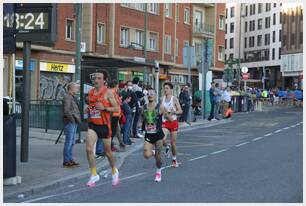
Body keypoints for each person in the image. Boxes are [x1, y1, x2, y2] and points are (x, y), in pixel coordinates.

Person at [85, 72, 120, 187]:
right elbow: (91, 106)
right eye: (95, 78)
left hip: (104, 126)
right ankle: (94, 174)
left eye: (99, 78)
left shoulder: (108, 92)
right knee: (89, 149)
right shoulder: (90, 92)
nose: (96, 80)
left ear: (104, 81)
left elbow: (116, 108)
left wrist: (104, 108)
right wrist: (88, 109)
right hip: (93, 124)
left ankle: (114, 171)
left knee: (108, 152)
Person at [143, 89, 165, 182]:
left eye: (152, 94)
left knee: (158, 157)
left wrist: (171, 117)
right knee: (146, 155)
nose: (150, 95)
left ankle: (158, 171)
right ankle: (153, 152)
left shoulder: (160, 107)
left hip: (158, 135)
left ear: (155, 95)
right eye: (148, 94)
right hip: (148, 134)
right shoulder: (143, 107)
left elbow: (167, 116)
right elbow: (142, 119)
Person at [160, 82, 183, 168]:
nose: (165, 90)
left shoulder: (174, 99)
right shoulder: (161, 99)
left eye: (167, 88)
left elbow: (180, 111)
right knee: (162, 139)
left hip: (173, 122)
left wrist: (173, 111)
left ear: (171, 90)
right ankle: (166, 147)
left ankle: (174, 159)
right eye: (164, 88)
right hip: (165, 122)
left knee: (173, 143)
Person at [62, 82, 81, 168]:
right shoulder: (67, 97)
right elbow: (66, 111)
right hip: (70, 122)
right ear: (71, 88)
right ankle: (66, 161)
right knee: (69, 142)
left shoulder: (72, 97)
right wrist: (73, 120)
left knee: (72, 142)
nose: (77, 89)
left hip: (73, 122)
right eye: (76, 88)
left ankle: (69, 159)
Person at [109, 80, 125, 152]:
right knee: (112, 131)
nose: (118, 88)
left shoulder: (114, 92)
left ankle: (120, 144)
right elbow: (116, 103)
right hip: (113, 115)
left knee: (116, 130)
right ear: (116, 86)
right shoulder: (112, 92)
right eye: (118, 86)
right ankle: (110, 146)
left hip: (115, 114)